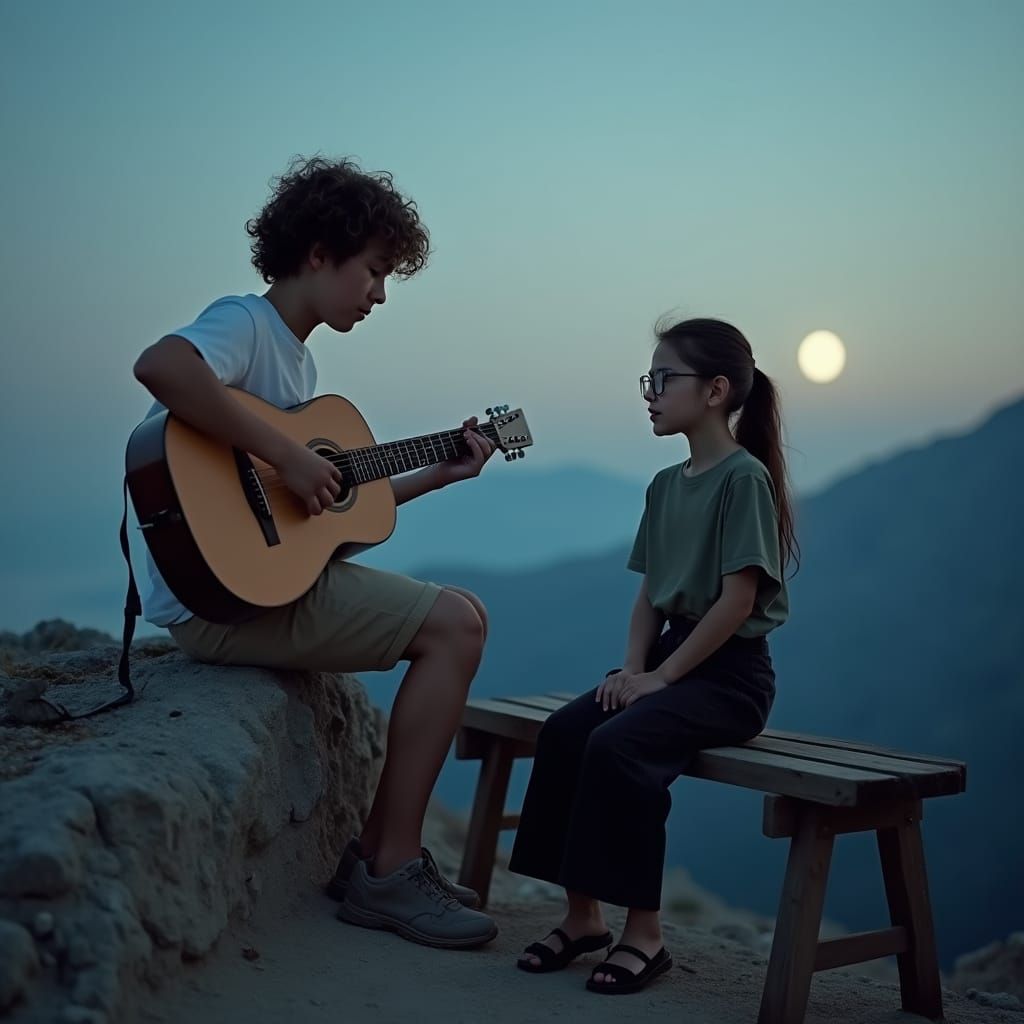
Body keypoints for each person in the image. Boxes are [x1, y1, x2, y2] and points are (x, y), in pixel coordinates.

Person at [132, 155, 499, 950]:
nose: (379, 294)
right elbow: (162, 366)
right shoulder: (246, 323)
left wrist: (438, 475)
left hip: (250, 586)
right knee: (457, 629)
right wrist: (291, 455)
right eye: (372, 271)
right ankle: (390, 871)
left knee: (464, 610)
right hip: (216, 604)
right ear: (319, 252)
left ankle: (372, 854)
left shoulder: (298, 364)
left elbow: (324, 514)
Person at [509, 317, 797, 993]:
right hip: (672, 657)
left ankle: (645, 934)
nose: (651, 392)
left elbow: (735, 602)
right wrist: (635, 671)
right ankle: (583, 918)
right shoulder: (667, 485)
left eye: (665, 379)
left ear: (717, 391)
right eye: (651, 379)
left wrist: (662, 678)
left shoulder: (742, 479)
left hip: (731, 675)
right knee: (567, 732)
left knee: (620, 747)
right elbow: (648, 598)